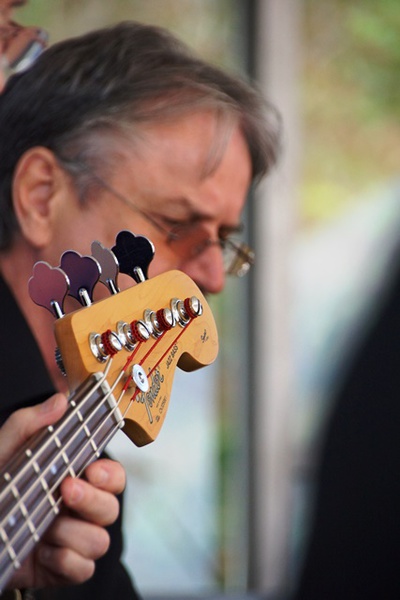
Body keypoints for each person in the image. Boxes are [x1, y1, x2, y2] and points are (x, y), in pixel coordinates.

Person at [0, 19, 280, 600]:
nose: (211, 278)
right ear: (41, 197)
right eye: (177, 226)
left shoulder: (78, 459)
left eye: (223, 241)